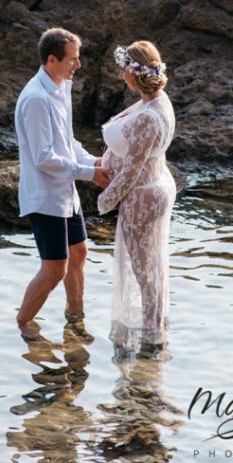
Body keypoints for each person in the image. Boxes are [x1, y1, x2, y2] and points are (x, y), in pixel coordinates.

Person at [15, 27, 110, 341]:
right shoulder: (36, 99)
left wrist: (93, 160)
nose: (78, 66)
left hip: (65, 192)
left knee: (79, 252)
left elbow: (66, 142)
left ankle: (75, 319)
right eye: (73, 59)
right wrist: (87, 173)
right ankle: (24, 324)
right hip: (45, 197)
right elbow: (44, 158)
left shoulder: (60, 87)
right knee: (55, 268)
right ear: (52, 59)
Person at [97, 40, 176, 356]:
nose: (120, 76)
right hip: (152, 186)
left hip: (143, 196)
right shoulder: (156, 101)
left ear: (137, 73)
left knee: (143, 269)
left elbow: (130, 171)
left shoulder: (148, 116)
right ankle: (151, 331)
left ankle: (149, 339)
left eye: (124, 69)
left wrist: (105, 200)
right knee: (149, 265)